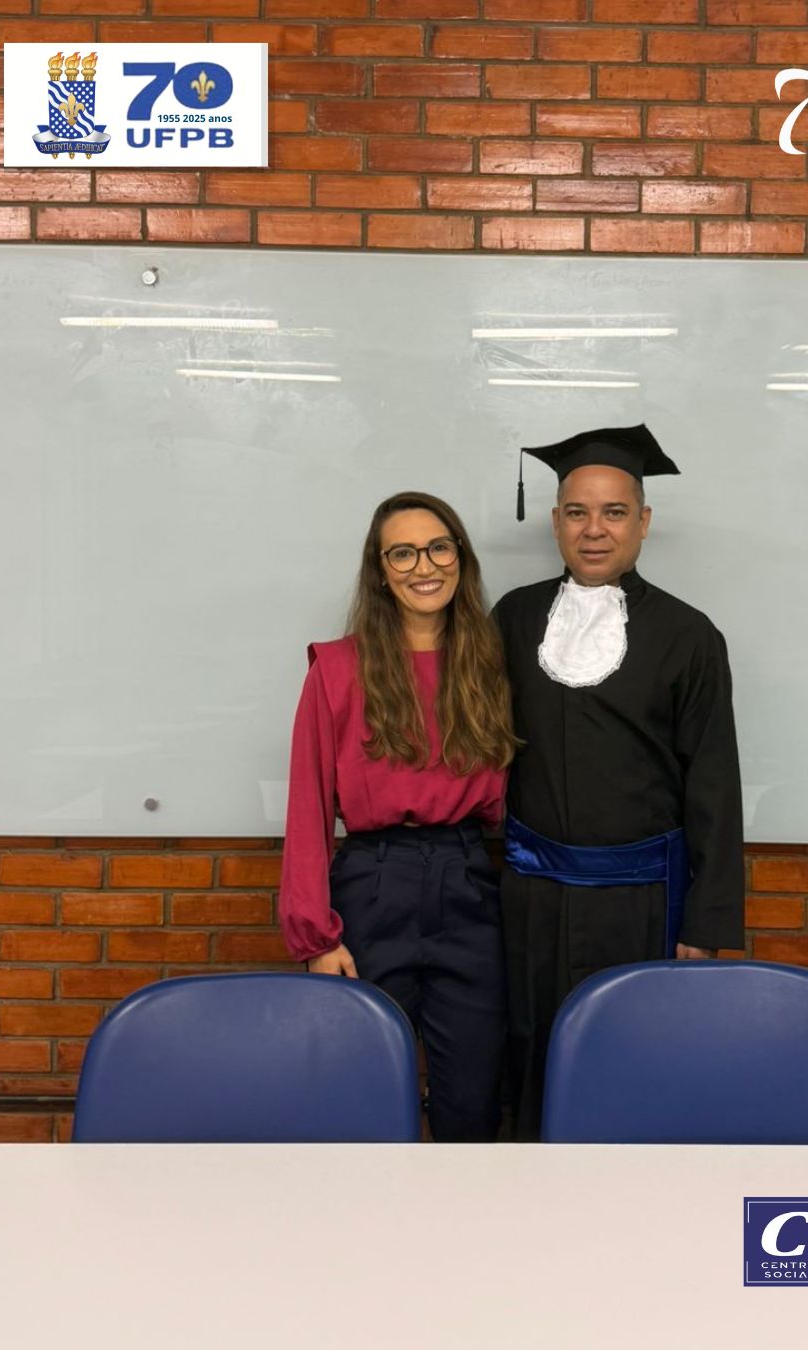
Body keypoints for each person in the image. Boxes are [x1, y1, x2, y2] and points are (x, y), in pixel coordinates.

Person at [494, 424, 746, 1139]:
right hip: (531, 899)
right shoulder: (511, 618)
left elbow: (714, 784)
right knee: (529, 1054)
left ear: (643, 521)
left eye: (613, 512)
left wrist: (706, 923)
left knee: (638, 1061)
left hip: (644, 903)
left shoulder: (690, 635)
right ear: (555, 522)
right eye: (577, 512)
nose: (594, 530)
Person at [279, 491, 517, 1142]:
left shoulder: (491, 664)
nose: (424, 566)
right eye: (403, 553)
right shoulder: (337, 669)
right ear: (380, 571)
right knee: (359, 1095)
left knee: (474, 1100)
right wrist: (317, 937)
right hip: (372, 885)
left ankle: (459, 1208)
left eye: (439, 547)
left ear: (461, 557)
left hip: (469, 881)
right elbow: (306, 809)